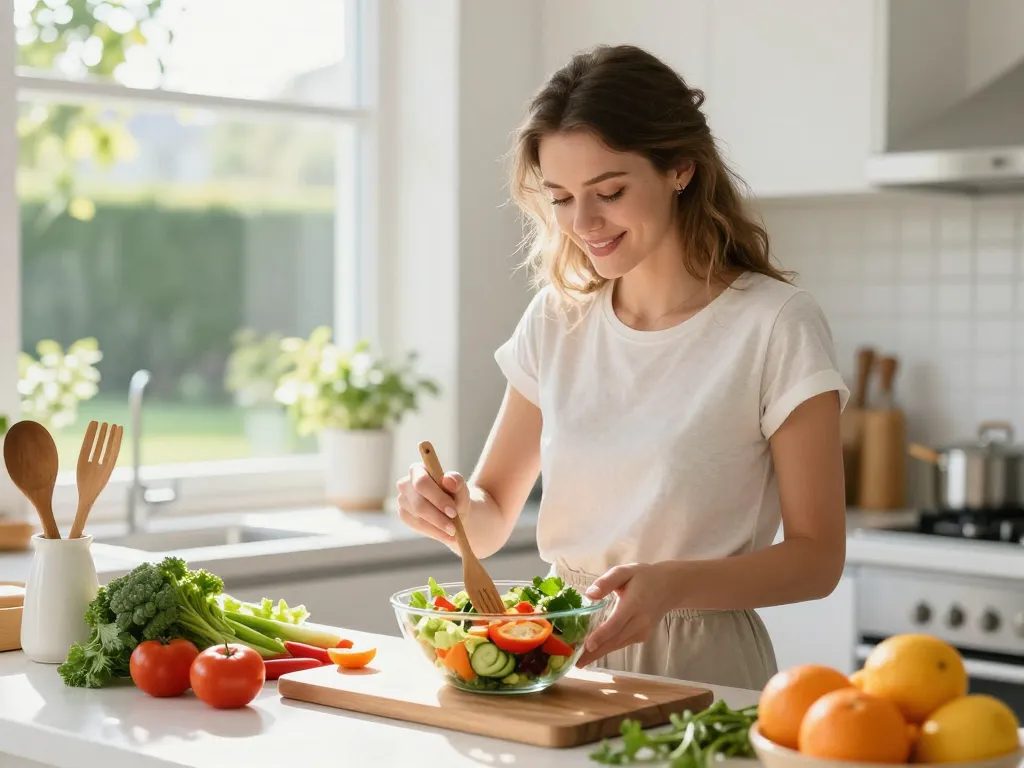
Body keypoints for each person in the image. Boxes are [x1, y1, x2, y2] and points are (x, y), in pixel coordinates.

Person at [395, 44, 848, 691]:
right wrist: (446, 505)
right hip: (558, 656)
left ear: (680, 169)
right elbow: (491, 514)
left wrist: (673, 584)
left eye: (608, 191)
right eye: (561, 197)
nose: (583, 222)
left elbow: (817, 560)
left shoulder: (775, 325)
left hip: (702, 668)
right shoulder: (558, 321)